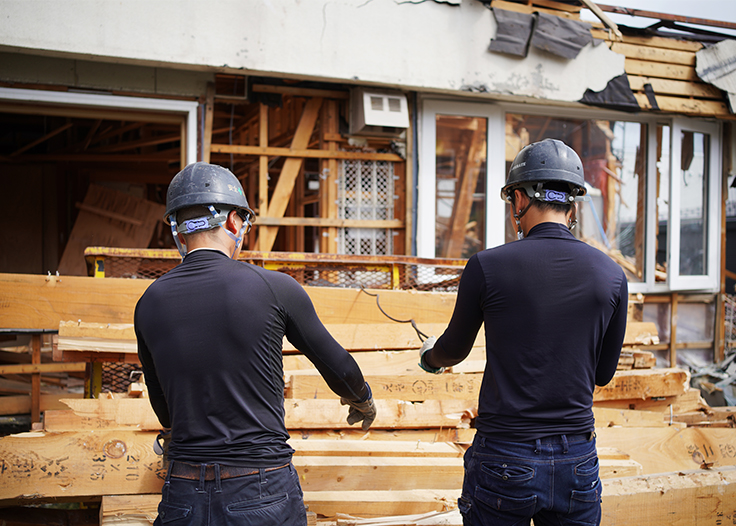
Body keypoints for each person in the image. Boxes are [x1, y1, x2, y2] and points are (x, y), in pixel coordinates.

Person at [135, 162, 376, 526]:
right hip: (260, 489)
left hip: (183, 493)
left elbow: (162, 405)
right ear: (234, 222)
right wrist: (362, 400)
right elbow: (337, 365)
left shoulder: (149, 302)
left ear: (177, 230)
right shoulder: (274, 288)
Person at [419, 139, 628, 526]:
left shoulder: (486, 266)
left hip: (504, 458)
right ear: (573, 203)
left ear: (519, 199)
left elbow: (454, 350)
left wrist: (430, 357)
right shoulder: (612, 275)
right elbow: (602, 374)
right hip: (577, 463)